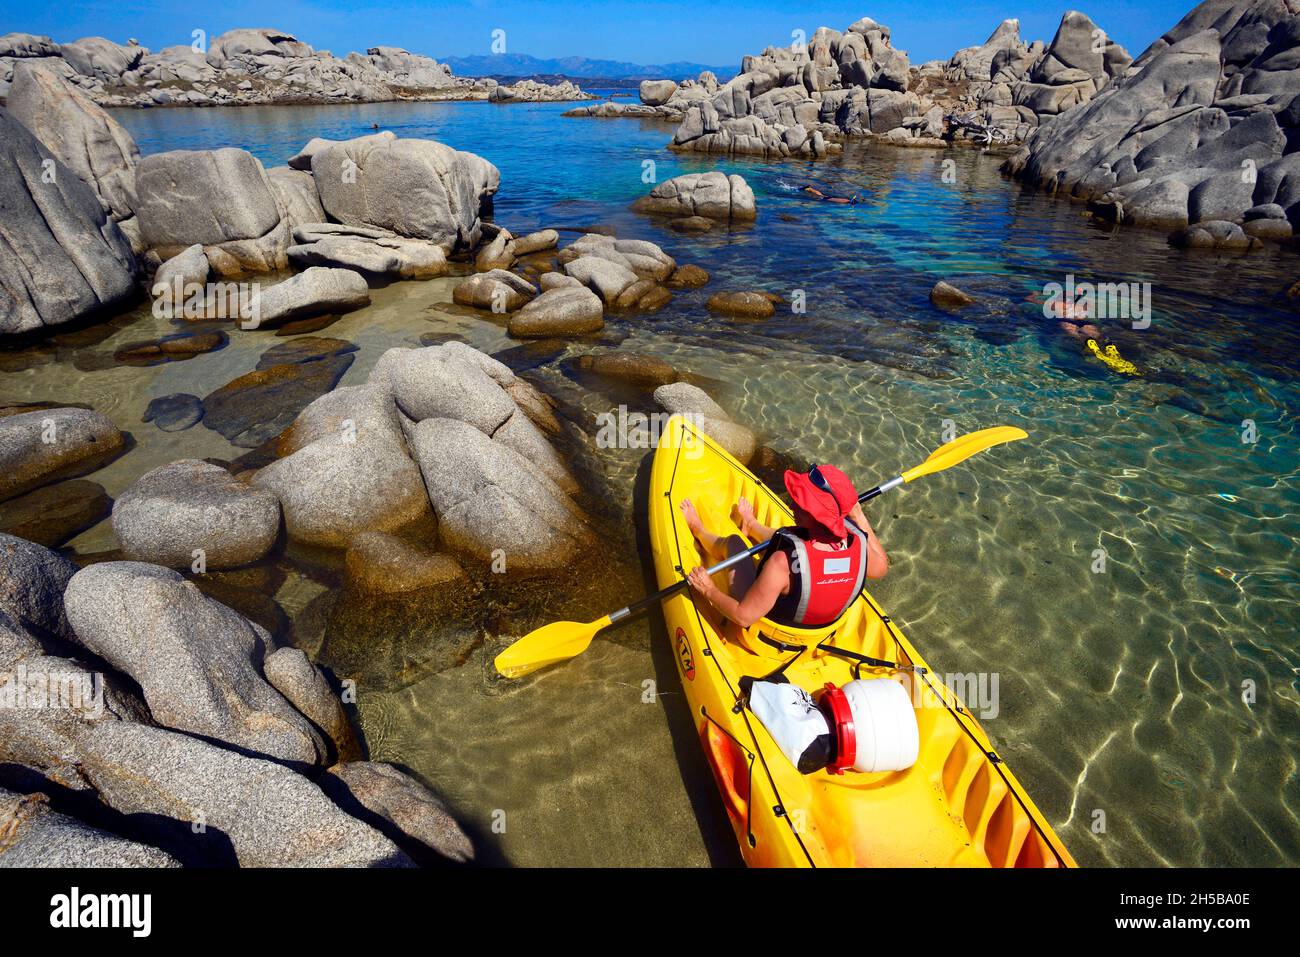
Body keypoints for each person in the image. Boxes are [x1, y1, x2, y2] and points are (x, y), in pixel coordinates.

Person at [680, 464, 888, 630]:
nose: (790, 506)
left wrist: (708, 589)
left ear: (814, 515)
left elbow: (744, 617)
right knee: (789, 537)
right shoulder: (860, 548)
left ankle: (698, 530)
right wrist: (858, 515)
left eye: (799, 503)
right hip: (818, 632)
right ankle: (751, 525)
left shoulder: (782, 563)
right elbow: (882, 567)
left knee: (735, 543)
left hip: (771, 628)